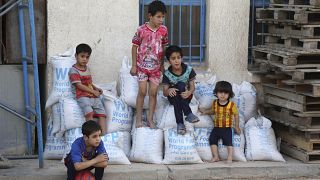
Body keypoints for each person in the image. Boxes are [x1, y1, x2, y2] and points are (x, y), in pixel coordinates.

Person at [130, 0, 168, 128]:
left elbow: (164, 48)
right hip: (142, 67)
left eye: (163, 16)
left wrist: (162, 65)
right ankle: (139, 119)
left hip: (156, 69)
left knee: (153, 92)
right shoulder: (141, 30)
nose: (161, 19)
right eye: (158, 17)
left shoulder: (163, 30)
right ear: (150, 16)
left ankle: (150, 119)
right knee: (142, 91)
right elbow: (134, 47)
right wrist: (134, 65)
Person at [199, 81, 241, 163]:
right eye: (220, 92)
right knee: (212, 140)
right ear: (216, 93)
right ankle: (216, 157)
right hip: (216, 128)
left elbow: (236, 115)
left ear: (229, 94)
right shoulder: (215, 103)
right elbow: (213, 111)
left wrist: (237, 126)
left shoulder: (231, 105)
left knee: (229, 142)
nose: (223, 95)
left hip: (227, 128)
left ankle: (230, 157)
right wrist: (205, 112)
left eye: (226, 93)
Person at [69, 43, 107, 134]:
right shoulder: (73, 70)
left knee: (102, 114)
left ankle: (103, 136)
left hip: (92, 95)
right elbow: (79, 85)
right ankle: (92, 135)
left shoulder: (87, 69)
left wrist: (96, 88)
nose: (85, 59)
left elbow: (89, 83)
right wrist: (93, 91)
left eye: (87, 57)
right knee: (89, 113)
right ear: (76, 56)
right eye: (82, 56)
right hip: (82, 96)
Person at [162, 45, 199, 135]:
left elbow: (192, 87)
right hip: (173, 96)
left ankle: (180, 124)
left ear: (181, 58)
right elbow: (164, 92)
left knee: (181, 85)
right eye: (173, 58)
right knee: (177, 92)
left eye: (178, 57)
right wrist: (169, 90)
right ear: (169, 60)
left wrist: (189, 92)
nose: (176, 60)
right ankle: (187, 115)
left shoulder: (189, 70)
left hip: (186, 95)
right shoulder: (167, 74)